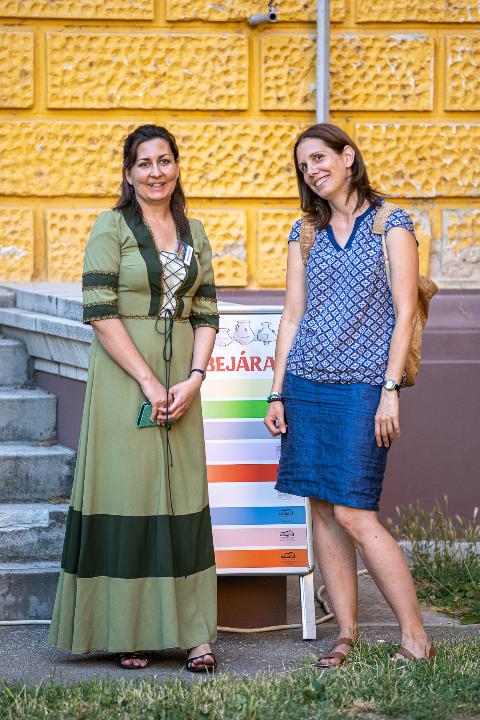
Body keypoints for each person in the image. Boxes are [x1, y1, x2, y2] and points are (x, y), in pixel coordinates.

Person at [49, 124, 219, 672]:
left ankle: (196, 633)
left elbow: (207, 314)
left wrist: (194, 378)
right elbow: (99, 311)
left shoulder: (194, 232)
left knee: (182, 497)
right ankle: (130, 630)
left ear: (177, 166)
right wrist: (149, 381)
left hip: (183, 382)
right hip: (126, 377)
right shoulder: (111, 227)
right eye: (144, 163)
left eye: (164, 160)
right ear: (129, 173)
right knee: (130, 495)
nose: (155, 172)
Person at [265, 123, 436, 667]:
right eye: (304, 165)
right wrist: (276, 392)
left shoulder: (391, 223)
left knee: (355, 512)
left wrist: (390, 390)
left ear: (347, 156)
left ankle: (416, 638)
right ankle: (346, 634)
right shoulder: (304, 232)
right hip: (305, 383)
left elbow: (405, 314)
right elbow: (292, 316)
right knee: (321, 510)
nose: (312, 170)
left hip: (364, 387)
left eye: (319, 158)